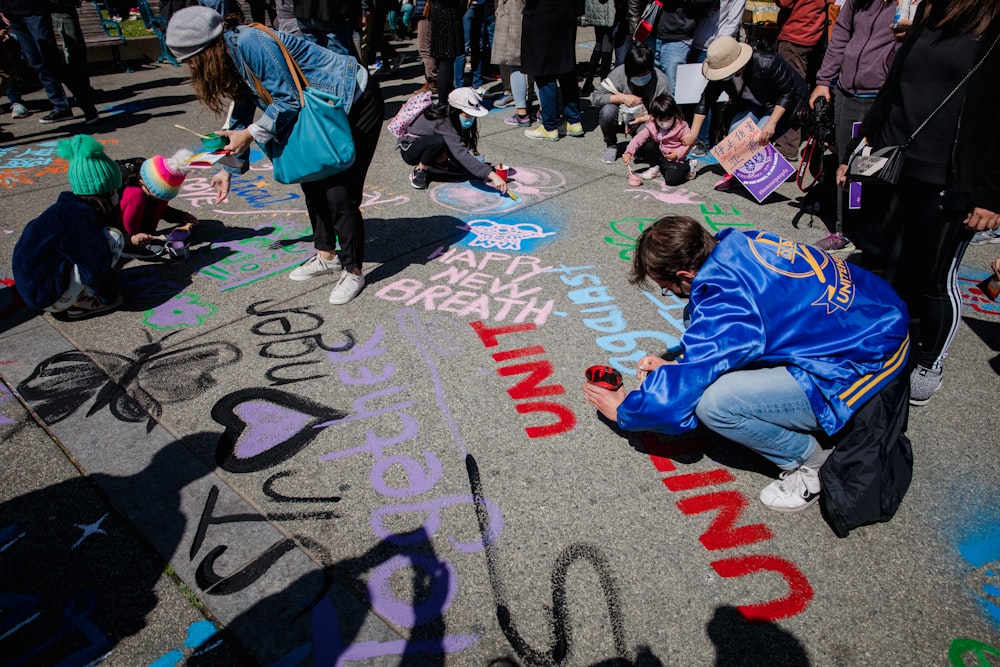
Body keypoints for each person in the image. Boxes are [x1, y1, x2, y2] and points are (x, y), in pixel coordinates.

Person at [582, 216, 910, 512]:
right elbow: (730, 335)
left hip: (863, 360)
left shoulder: (729, 302)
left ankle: (810, 463)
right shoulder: (738, 243)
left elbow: (675, 400)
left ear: (684, 274)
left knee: (716, 404)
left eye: (667, 288)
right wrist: (680, 361)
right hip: (877, 313)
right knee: (695, 314)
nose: (670, 292)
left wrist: (624, 410)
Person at [835, 0, 1000, 405]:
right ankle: (882, 344)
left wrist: (992, 194)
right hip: (896, 161)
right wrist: (861, 146)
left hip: (951, 176)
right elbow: (894, 87)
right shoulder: (931, 9)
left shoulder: (995, 24)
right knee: (882, 261)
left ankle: (929, 360)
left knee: (934, 278)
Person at [166, 4, 384, 305]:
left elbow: (288, 100)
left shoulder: (250, 43)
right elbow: (242, 110)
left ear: (206, 48)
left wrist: (251, 134)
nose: (194, 68)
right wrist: (228, 167)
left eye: (193, 61)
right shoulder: (230, 54)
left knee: (339, 193)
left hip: (354, 102)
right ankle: (327, 256)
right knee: (312, 180)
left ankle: (353, 269)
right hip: (322, 109)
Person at [808, 0, 898, 252]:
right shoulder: (857, 2)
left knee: (877, 165)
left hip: (881, 95)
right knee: (845, 166)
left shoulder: (908, 5)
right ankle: (842, 229)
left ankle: (874, 231)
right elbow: (839, 39)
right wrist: (824, 80)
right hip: (846, 92)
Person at [13, 134, 125, 319]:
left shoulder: (67, 209)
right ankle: (79, 303)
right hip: (46, 295)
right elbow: (95, 267)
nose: (117, 196)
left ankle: (76, 294)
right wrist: (110, 295)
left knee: (99, 247)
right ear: (104, 194)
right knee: (113, 239)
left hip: (32, 286)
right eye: (114, 191)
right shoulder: (79, 222)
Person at [683, 36, 808, 191]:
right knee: (736, 130)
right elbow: (706, 100)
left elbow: (787, 93)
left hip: (780, 103)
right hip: (753, 101)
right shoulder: (722, 74)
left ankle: (751, 177)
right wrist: (694, 133)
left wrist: (771, 124)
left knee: (758, 137)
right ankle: (740, 173)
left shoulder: (767, 62)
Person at [0, 0, 98, 123]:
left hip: (33, 12)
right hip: (14, 15)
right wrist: (3, 10)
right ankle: (61, 107)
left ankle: (87, 107)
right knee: (37, 63)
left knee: (52, 61)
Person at [400, 86, 508, 193]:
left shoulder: (452, 119)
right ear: (455, 111)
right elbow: (460, 153)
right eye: (467, 115)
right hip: (410, 150)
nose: (470, 119)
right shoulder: (443, 122)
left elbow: (459, 148)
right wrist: (491, 174)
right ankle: (421, 170)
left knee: (451, 151)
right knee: (438, 141)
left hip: (426, 146)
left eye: (472, 116)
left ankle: (439, 164)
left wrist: (480, 171)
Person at [591, 42, 671, 163]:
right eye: (635, 75)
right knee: (607, 111)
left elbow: (668, 112)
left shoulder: (661, 81)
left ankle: (640, 147)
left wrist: (644, 119)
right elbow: (596, 97)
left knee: (647, 141)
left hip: (647, 121)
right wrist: (622, 98)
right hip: (621, 117)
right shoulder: (619, 73)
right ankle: (611, 145)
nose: (640, 78)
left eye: (644, 74)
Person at [772, 0, 829, 163]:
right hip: (815, 33)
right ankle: (806, 136)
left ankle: (787, 146)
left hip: (796, 33)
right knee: (805, 90)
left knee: (789, 91)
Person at [118, 150, 200, 260]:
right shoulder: (121, 184)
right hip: (115, 222)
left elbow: (158, 206)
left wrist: (181, 216)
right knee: (136, 196)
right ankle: (129, 246)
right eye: (155, 196)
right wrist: (130, 240)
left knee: (156, 200)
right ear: (141, 182)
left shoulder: (151, 172)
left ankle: (146, 234)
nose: (159, 201)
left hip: (134, 208)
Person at [521, 0, 584, 141]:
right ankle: (574, 121)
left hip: (542, 13)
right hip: (566, 13)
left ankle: (549, 126)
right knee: (566, 68)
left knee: (545, 71)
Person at [622, 94, 693, 185]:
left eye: (668, 119)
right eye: (661, 120)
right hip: (662, 155)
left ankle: (689, 166)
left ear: (674, 114)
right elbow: (638, 139)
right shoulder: (653, 125)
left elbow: (689, 144)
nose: (665, 123)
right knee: (649, 145)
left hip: (676, 158)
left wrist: (678, 153)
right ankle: (656, 166)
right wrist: (629, 152)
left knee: (671, 180)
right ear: (654, 117)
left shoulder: (682, 127)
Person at [492, 0, 534, 126]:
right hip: (529, 15)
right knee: (534, 62)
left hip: (516, 15)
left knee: (515, 63)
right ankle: (542, 110)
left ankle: (522, 113)